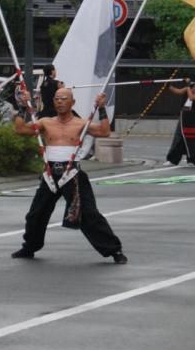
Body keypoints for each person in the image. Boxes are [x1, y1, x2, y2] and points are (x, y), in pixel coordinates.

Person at [12, 86, 127, 263]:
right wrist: (22, 106)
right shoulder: (45, 122)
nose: (59, 101)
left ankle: (114, 251)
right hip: (50, 174)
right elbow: (20, 130)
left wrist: (101, 107)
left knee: (89, 214)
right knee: (36, 214)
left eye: (64, 98)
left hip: (72, 173)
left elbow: (104, 132)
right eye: (57, 98)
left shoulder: (81, 123)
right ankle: (29, 248)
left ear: (72, 102)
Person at [163, 70, 195, 166]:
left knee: (193, 138)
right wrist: (169, 86)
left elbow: (192, 97)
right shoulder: (192, 86)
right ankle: (173, 160)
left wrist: (189, 86)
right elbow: (179, 91)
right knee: (179, 137)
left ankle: (193, 160)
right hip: (184, 115)